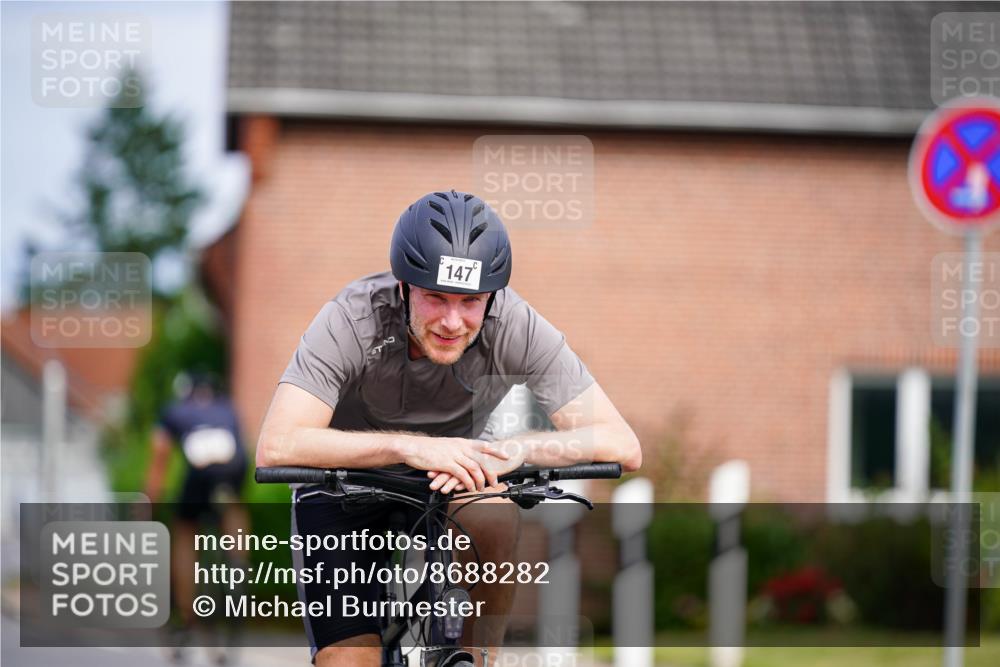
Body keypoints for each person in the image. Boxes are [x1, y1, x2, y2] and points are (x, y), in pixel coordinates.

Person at [256, 190, 641, 667]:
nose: (452, 321)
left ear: (492, 297)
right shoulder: (350, 318)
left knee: (495, 511)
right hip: (342, 483)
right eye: (435, 298)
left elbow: (621, 443)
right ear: (403, 288)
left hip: (452, 479)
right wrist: (411, 447)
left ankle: (476, 657)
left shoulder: (515, 324)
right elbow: (277, 444)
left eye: (471, 301)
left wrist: (519, 448)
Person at [146, 371, 250, 656]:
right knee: (233, 503)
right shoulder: (228, 408)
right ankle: (238, 561)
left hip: (199, 474)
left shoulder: (174, 411)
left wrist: (151, 501)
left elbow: (160, 459)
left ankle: (186, 611)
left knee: (184, 530)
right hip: (233, 468)